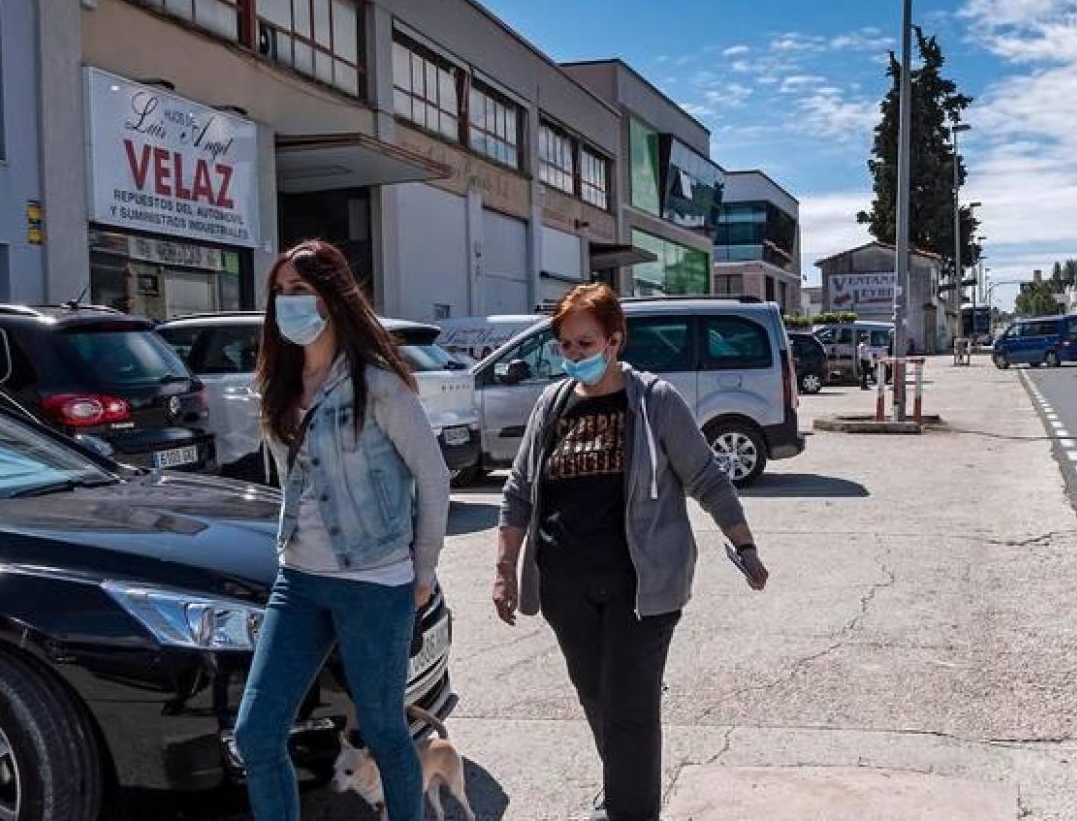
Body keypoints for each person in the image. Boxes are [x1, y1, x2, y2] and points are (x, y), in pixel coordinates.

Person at [493, 283, 767, 821]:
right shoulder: (551, 405)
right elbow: (518, 491)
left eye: (585, 343)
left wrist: (744, 544)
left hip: (641, 588)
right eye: (566, 346)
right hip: (564, 585)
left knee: (631, 710)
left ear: (614, 340)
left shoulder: (655, 402)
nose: (575, 356)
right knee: (596, 698)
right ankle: (623, 790)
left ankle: (630, 809)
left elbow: (707, 478)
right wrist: (505, 570)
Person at [234, 239, 451, 821]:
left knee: (384, 731)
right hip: (299, 580)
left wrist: (423, 572)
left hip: (375, 581)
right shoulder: (277, 385)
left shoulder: (377, 384)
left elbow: (433, 479)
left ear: (333, 298)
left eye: (300, 292)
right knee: (256, 733)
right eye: (280, 294)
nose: (287, 304)